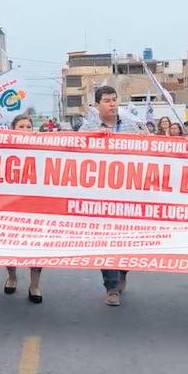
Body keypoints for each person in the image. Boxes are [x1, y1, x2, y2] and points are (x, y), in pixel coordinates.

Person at [80, 86, 146, 306]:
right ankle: (111, 287)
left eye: (114, 100)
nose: (112, 104)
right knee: (106, 241)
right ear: (97, 105)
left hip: (128, 194)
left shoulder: (131, 126)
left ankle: (122, 271)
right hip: (101, 196)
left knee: (126, 240)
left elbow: (146, 153)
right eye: (107, 100)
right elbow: (75, 155)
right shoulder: (87, 128)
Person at [4, 114, 44, 303]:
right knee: (9, 245)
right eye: (21, 126)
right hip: (10, 204)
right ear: (12, 129)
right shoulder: (2, 150)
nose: (26, 130)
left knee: (36, 247)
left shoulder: (43, 150)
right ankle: (12, 277)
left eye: (29, 126)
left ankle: (34, 285)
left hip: (35, 205)